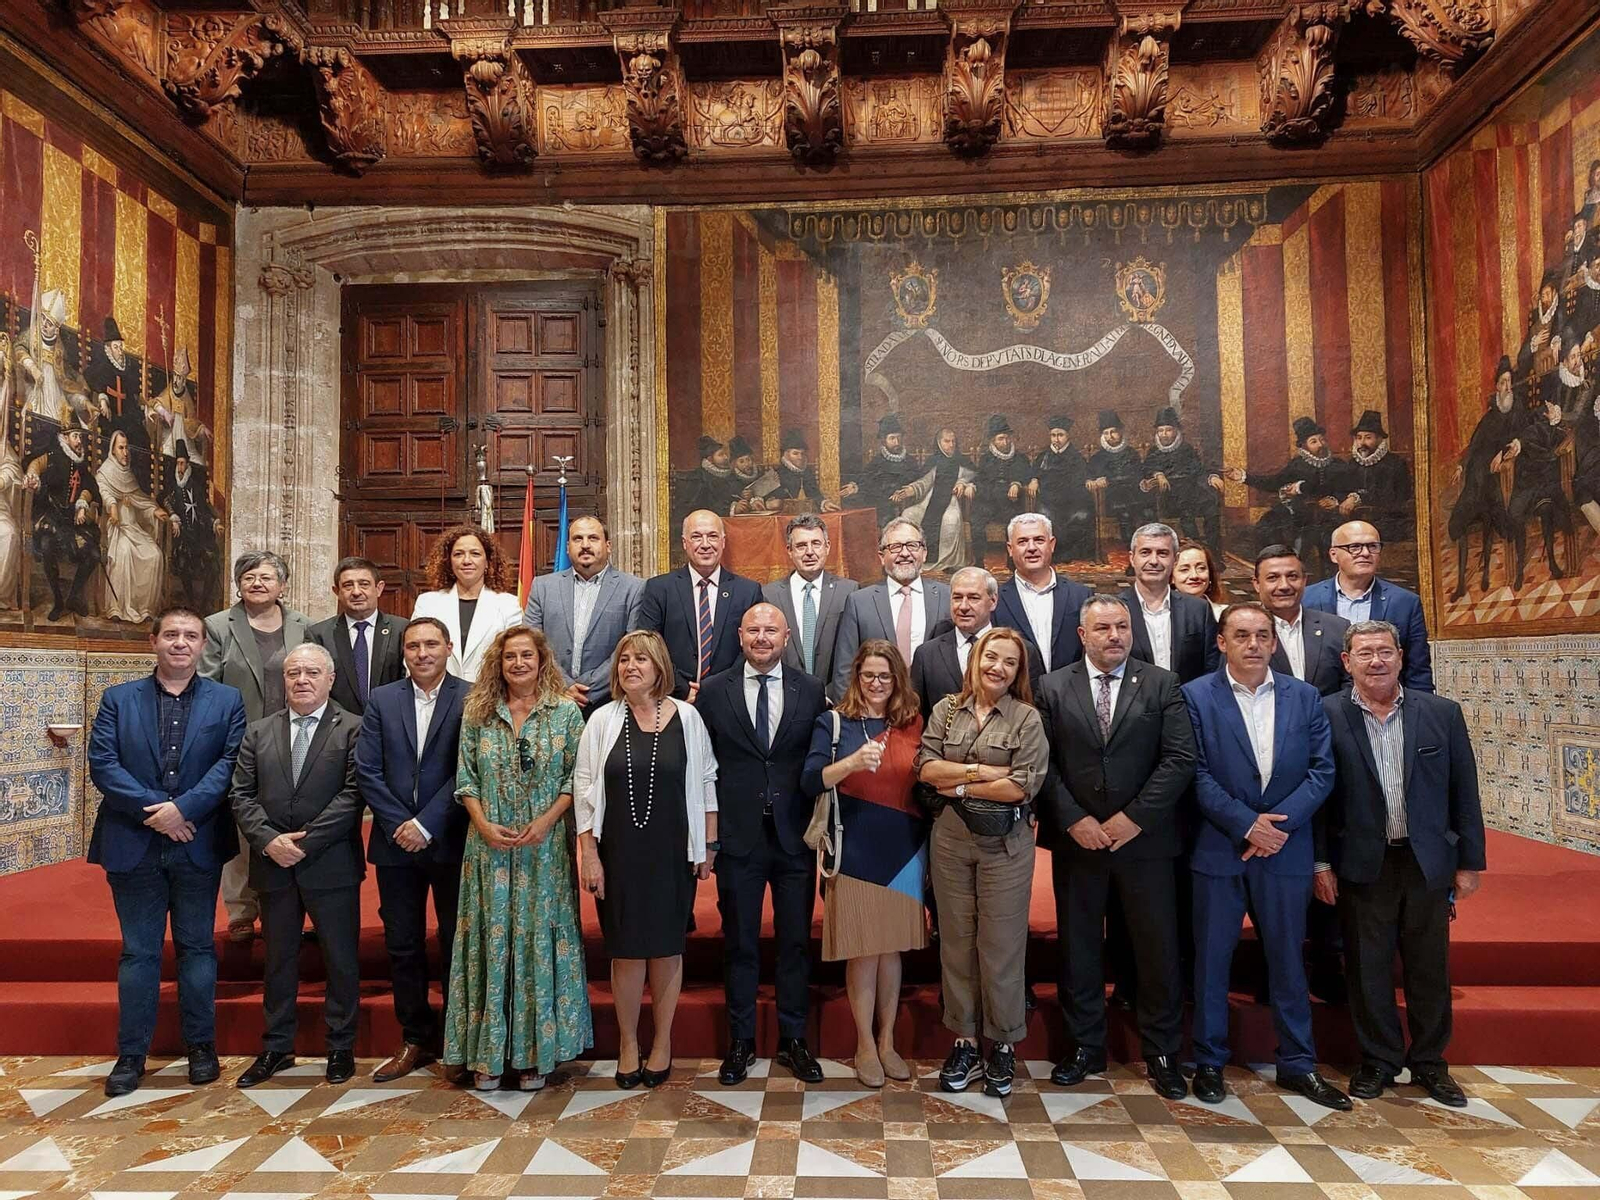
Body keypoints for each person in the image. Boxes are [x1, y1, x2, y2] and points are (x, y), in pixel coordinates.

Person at [1183, 603, 1349, 1112]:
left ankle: (1298, 1063)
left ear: (1274, 643)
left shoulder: (1305, 697)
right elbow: (1194, 772)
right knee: (1212, 961)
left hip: (1285, 850)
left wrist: (1277, 827)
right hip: (1219, 847)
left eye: (1262, 635)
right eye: (1241, 635)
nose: (1253, 644)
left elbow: (1322, 772)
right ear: (1221, 642)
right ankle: (1209, 1061)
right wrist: (1245, 824)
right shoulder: (1194, 697)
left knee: (1287, 960)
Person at [1316, 620, 1487, 1108]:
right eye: (1364, 653)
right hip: (1361, 861)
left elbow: (1464, 791)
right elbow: (1319, 798)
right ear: (1346, 662)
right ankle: (1378, 1061)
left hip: (1426, 860)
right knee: (1368, 967)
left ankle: (1431, 1063)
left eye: (1385, 651)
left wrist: (1469, 860)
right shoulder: (1325, 715)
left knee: (1429, 967)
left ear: (1400, 657)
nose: (1376, 661)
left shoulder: (1441, 714)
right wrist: (1319, 863)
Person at [1035, 595, 1194, 1098]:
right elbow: (1043, 764)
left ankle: (1162, 1050)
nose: (1115, 636)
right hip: (1078, 842)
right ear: (1083, 634)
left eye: (1122, 626)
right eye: (1102, 627)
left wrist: (1133, 819)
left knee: (1156, 947)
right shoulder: (1052, 686)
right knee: (1079, 946)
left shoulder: (1162, 683)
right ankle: (1085, 1045)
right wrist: (1073, 819)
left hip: (1145, 843)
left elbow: (1178, 760)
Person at [86, 606, 247, 1098]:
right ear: (152, 641)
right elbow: (104, 763)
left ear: (203, 645)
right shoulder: (118, 699)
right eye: (171, 634)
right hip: (133, 843)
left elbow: (229, 763)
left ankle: (202, 1046)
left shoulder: (227, 700)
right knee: (139, 952)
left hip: (197, 842)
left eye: (191, 636)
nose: (181, 643)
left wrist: (185, 810)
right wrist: (157, 811)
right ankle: (131, 1054)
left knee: (198, 948)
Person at [444, 626, 591, 1091]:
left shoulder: (565, 713)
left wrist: (547, 821)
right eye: (510, 657)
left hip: (543, 850)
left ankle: (534, 1054)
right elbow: (465, 778)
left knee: (537, 944)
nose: (519, 663)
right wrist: (483, 824)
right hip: (488, 850)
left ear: (542, 660)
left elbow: (577, 779)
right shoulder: (478, 712)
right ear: (498, 664)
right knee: (491, 943)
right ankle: (486, 1055)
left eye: (528, 655)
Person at [575, 630, 718, 1089]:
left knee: (666, 947)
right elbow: (583, 791)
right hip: (618, 852)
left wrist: (708, 846)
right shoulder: (601, 720)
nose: (630, 667)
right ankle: (628, 1043)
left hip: (672, 850)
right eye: (623, 660)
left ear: (659, 666)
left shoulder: (689, 718)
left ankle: (662, 1041)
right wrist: (589, 854)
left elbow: (707, 781)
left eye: (640, 659)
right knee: (626, 950)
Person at [699, 604, 829, 1084]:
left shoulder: (811, 690)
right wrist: (708, 839)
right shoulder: (714, 692)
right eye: (752, 629)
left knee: (795, 942)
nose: (761, 637)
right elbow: (703, 769)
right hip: (739, 838)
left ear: (787, 635)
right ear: (738, 633)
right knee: (740, 943)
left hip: (794, 837)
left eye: (770, 629)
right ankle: (741, 1041)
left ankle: (794, 1040)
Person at [916, 627, 1049, 1099]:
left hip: (1006, 845)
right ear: (975, 658)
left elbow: (1021, 787)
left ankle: (1005, 1045)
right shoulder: (946, 711)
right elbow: (928, 769)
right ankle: (966, 1041)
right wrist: (981, 772)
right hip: (951, 840)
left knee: (1000, 945)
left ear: (1018, 672)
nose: (997, 667)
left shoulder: (1027, 719)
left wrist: (962, 787)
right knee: (956, 941)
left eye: (1008, 662)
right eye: (991, 657)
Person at [230, 643, 365, 1088]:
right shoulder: (258, 731)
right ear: (282, 681)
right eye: (293, 673)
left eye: (311, 672)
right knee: (278, 960)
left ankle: (341, 1046)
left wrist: (304, 843)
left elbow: (353, 794)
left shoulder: (353, 729)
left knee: (341, 958)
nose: (301, 680)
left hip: (331, 863)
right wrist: (270, 841)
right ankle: (276, 1046)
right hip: (273, 865)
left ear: (329, 679)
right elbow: (241, 794)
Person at [802, 640, 927, 1087]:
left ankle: (889, 1040)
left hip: (904, 847)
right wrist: (851, 761)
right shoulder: (834, 722)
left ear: (897, 681)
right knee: (862, 950)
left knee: (890, 949)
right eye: (869, 675)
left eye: (885, 676)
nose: (876, 684)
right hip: (854, 845)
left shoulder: (913, 723)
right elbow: (810, 779)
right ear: (857, 677)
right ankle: (864, 1044)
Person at [355, 616, 469, 1081]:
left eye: (431, 645)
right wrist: (401, 823)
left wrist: (427, 823)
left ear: (447, 648)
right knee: (402, 942)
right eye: (413, 646)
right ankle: (416, 1039)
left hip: (450, 837)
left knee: (454, 940)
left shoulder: (471, 696)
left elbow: (470, 766)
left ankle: (460, 1040)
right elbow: (367, 769)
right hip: (394, 841)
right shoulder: (383, 699)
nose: (422, 653)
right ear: (403, 652)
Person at [201, 551, 310, 943]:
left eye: (266, 577)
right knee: (244, 825)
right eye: (249, 577)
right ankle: (242, 910)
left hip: (296, 739)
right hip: (239, 740)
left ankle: (287, 906)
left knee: (291, 820)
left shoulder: (305, 626)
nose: (258, 583)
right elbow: (205, 685)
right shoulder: (217, 626)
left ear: (282, 585)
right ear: (238, 584)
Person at [525, 514, 645, 716]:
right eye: (578, 539)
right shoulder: (542, 587)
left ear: (608, 546)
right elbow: (531, 643)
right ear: (567, 546)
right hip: (552, 701)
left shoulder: (634, 588)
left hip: (610, 703)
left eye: (593, 538)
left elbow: (632, 645)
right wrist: (563, 685)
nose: (585, 545)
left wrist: (588, 688)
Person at [638, 509, 763, 702]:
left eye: (712, 536)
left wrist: (719, 686)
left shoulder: (748, 591)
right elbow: (647, 644)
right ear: (685, 543)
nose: (705, 544)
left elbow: (753, 645)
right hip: (673, 699)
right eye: (696, 537)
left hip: (730, 699)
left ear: (723, 542)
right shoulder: (659, 588)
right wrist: (682, 689)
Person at [830, 518, 952, 702]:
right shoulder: (859, 602)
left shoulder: (947, 596)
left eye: (912, 545)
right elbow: (844, 669)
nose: (904, 553)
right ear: (881, 556)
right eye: (895, 547)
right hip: (876, 712)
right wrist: (850, 722)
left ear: (924, 553)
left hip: (935, 713)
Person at [1305, 520, 1434, 692]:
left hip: (1385, 707)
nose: (1365, 553)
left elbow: (1418, 671)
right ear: (1333, 554)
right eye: (1355, 547)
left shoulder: (1405, 603)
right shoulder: (1307, 599)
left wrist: (1420, 714)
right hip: (1325, 708)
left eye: (1373, 546)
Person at [912, 566, 1044, 716]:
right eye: (957, 598)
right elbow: (917, 716)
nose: (963, 607)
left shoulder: (1022, 651)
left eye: (973, 598)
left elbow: (1032, 709)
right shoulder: (926, 654)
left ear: (993, 601)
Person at [1227, 416, 1349, 575]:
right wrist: (1244, 477)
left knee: (1321, 534)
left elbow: (1341, 487)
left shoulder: (1337, 464)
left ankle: (1326, 578)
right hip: (1298, 512)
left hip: (1326, 514)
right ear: (1304, 446)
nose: (1320, 445)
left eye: (1322, 440)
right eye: (1314, 442)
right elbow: (1274, 482)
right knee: (1267, 526)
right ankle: (1275, 569)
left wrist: (1331, 498)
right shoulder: (1297, 464)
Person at [411, 523, 525, 683]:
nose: (466, 560)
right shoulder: (427, 603)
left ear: (487, 562)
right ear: (449, 561)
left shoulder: (508, 605)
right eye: (458, 554)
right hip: (437, 697)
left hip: (490, 697)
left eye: (475, 554)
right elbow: (414, 654)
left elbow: (514, 657)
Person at [1446, 359, 1521, 599]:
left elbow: (1520, 437)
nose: (1507, 387)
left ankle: (1487, 571)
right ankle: (1460, 584)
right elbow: (1474, 444)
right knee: (1463, 513)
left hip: (1498, 478)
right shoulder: (1489, 416)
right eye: (1503, 382)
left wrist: (1503, 452)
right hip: (1475, 476)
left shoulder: (1517, 413)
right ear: (1497, 387)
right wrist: (1460, 465)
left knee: (1490, 503)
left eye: (1510, 382)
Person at [762, 513, 858, 684]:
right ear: (789, 551)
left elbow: (853, 654)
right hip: (785, 697)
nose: (810, 552)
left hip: (835, 699)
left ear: (827, 547)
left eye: (816, 544)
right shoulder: (769, 595)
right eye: (801, 546)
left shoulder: (849, 591)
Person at [1119, 522, 1219, 684]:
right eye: (1145, 553)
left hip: (1187, 705)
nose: (1154, 561)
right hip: (1134, 707)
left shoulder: (1198, 610)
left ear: (1175, 559)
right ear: (1132, 558)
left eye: (1162, 553)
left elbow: (1212, 668)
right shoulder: (1115, 609)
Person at [993, 513, 1092, 675]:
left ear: (1051, 544)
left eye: (1039, 540)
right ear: (1010, 549)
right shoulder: (996, 601)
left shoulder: (1081, 595)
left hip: (1069, 695)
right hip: (1017, 697)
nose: (1032, 548)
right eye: (1023, 541)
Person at [307, 557, 406, 715]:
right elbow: (316, 684)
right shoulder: (319, 634)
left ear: (379, 588)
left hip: (390, 721)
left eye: (364, 584)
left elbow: (407, 681)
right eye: (348, 586)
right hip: (338, 727)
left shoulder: (402, 630)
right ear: (337, 592)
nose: (356, 592)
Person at [1255, 545, 1349, 696]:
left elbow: (1350, 684)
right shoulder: (1242, 634)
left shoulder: (1337, 628)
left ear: (1304, 580)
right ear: (1257, 584)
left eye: (1292, 576)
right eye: (1272, 578)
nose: (1284, 586)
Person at [95, 428, 167, 624]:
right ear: (113, 449)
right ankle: (117, 607)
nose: (125, 453)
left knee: (155, 555)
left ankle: (144, 609)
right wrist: (113, 507)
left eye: (127, 448)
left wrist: (154, 510)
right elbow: (104, 492)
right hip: (116, 527)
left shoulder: (129, 475)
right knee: (124, 553)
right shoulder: (105, 472)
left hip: (133, 527)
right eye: (121, 448)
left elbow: (140, 500)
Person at [33, 426, 102, 622]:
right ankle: (58, 600)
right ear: (65, 438)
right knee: (47, 546)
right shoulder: (54, 456)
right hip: (52, 518)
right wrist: (33, 477)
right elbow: (35, 464)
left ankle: (73, 597)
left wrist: (82, 504)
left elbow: (89, 487)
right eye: (75, 436)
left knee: (94, 554)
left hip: (73, 523)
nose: (79, 441)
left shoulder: (81, 464)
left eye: (80, 436)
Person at [1504, 393, 1571, 589]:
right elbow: (1525, 442)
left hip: (1543, 486)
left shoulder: (1554, 430)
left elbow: (1561, 439)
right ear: (1544, 413)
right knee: (1516, 517)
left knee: (1547, 508)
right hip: (1526, 486)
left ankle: (1551, 561)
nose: (1554, 409)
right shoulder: (1534, 429)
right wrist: (1519, 445)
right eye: (1550, 408)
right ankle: (1519, 570)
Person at [1140, 407, 1224, 553]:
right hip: (1167, 496)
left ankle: (1212, 550)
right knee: (1185, 511)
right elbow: (1145, 471)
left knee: (1211, 508)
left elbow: (1198, 470)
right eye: (1160, 431)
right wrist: (1157, 474)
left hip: (1190, 491)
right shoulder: (1154, 452)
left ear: (1176, 430)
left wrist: (1212, 477)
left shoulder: (1186, 449)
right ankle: (1194, 545)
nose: (1164, 434)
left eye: (1168, 430)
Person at [161, 441, 222, 614]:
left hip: (198, 536)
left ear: (187, 464)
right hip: (181, 538)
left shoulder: (195, 486)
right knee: (182, 563)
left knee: (213, 562)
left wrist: (214, 522)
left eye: (183, 463)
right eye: (178, 463)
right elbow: (163, 500)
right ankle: (191, 602)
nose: (180, 467)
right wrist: (172, 516)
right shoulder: (172, 485)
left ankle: (203, 605)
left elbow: (203, 509)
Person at [1028, 415, 1093, 562]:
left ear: (1067, 436)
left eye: (1060, 435)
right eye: (1053, 435)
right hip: (1049, 500)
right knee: (1046, 516)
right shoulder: (1044, 456)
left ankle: (1073, 553)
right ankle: (1053, 553)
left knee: (1082, 515)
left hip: (1073, 500)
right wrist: (1034, 479)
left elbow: (1086, 473)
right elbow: (1034, 472)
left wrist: (1089, 479)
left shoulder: (1075, 456)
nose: (1056, 439)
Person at [965, 414, 1029, 561]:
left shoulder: (1019, 458)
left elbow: (1025, 474)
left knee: (1014, 523)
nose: (1005, 442)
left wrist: (1016, 483)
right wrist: (972, 485)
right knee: (976, 522)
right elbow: (980, 478)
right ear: (993, 440)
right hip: (988, 501)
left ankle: (1013, 562)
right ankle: (979, 561)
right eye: (1001, 439)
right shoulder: (986, 459)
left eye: (1007, 438)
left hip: (1010, 502)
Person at [840, 413, 923, 526]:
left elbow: (918, 481)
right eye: (892, 438)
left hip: (906, 502)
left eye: (899, 438)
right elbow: (866, 478)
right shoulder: (877, 461)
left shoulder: (910, 461)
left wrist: (902, 493)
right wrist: (855, 486)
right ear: (884, 440)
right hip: (881, 505)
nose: (897, 442)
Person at [1346, 410, 1412, 543]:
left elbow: (1391, 498)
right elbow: (1344, 489)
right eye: (1359, 438)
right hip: (1357, 520)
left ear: (1379, 439)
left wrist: (1357, 498)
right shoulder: (1352, 463)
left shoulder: (1395, 463)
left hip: (1388, 522)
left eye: (1368, 437)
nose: (1362, 443)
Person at [1086, 410, 1148, 547]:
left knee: (1145, 512)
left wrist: (1143, 481)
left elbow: (1139, 474)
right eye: (1106, 433)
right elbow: (1088, 475)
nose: (1110, 436)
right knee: (1124, 512)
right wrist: (1093, 481)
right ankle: (1130, 545)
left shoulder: (1131, 453)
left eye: (1113, 432)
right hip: (1111, 498)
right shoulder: (1097, 458)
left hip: (1134, 495)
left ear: (1120, 432)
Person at [0, 430, 34, 608]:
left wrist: (3, 480)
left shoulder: (2, 447)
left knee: (9, 534)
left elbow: (12, 468)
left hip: (0, 510)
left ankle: (1, 594)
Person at [1174, 538, 1227, 619]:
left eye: (1201, 568)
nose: (1194, 576)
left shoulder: (1226, 616)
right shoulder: (1158, 617)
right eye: (1184, 570)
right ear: (1171, 577)